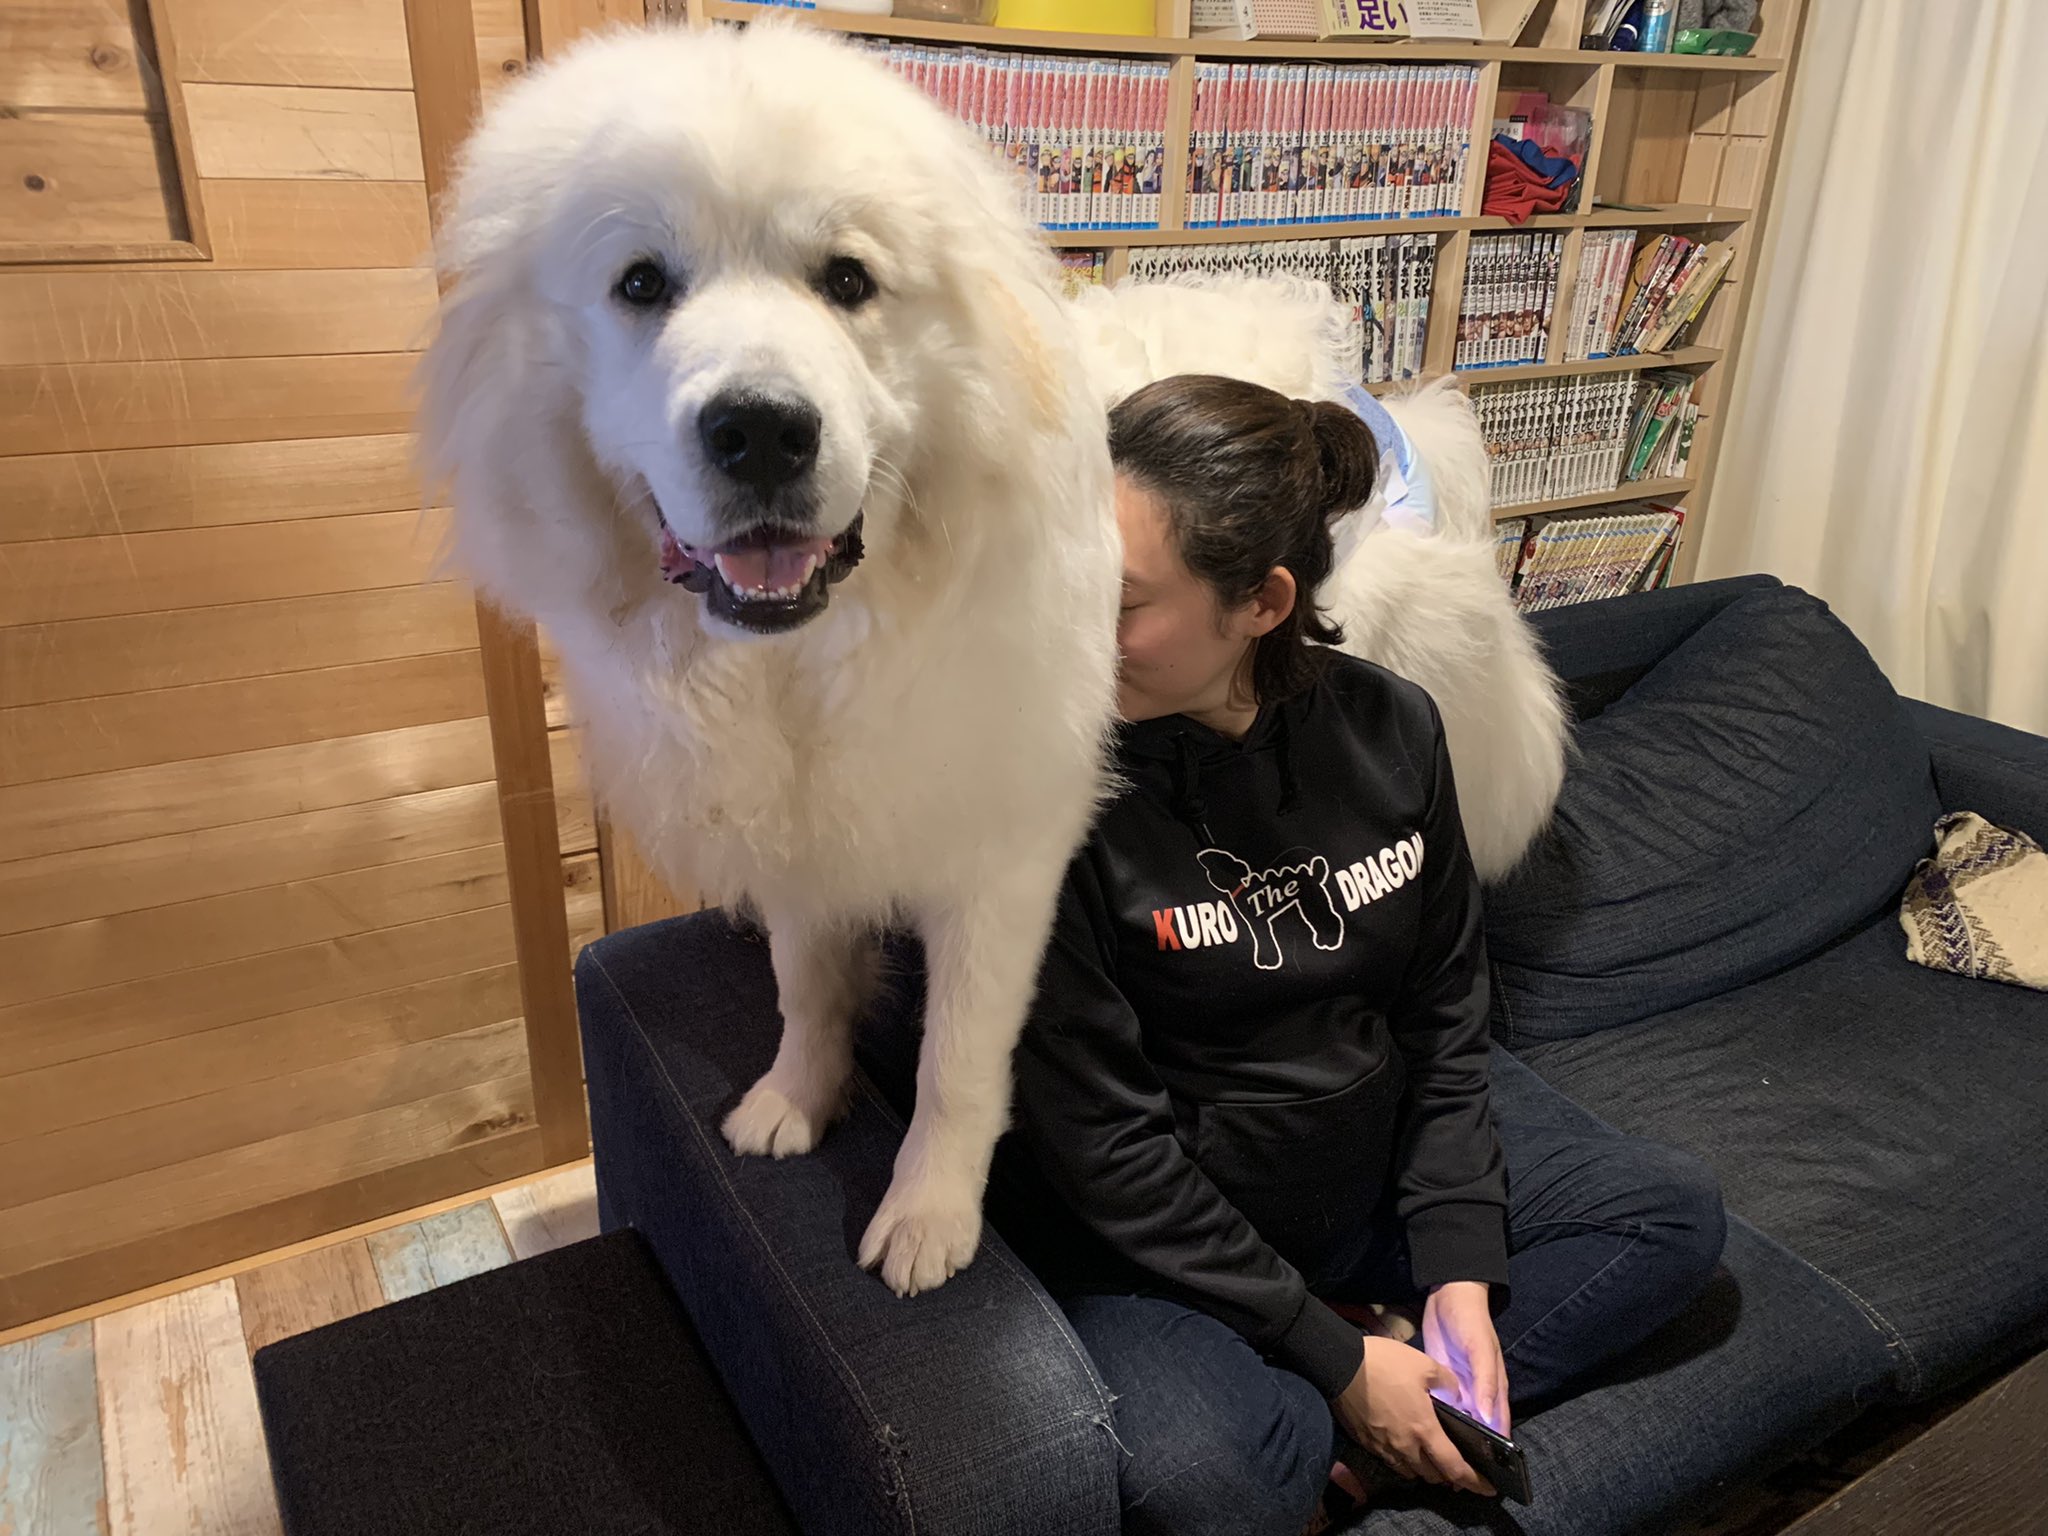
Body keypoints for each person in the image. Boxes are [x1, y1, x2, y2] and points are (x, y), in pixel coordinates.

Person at [995, 375, 1727, 1535]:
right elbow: (1102, 1149)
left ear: (1262, 601)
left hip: (1360, 1174)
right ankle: (1362, 1399)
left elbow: (1444, 1021)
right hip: (1163, 1239)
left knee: (1670, 1219)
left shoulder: (1391, 725)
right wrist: (1333, 1355)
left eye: (1117, 600)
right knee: (1210, 1481)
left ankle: (1377, 1427)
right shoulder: (1038, 793)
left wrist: (1458, 1272)